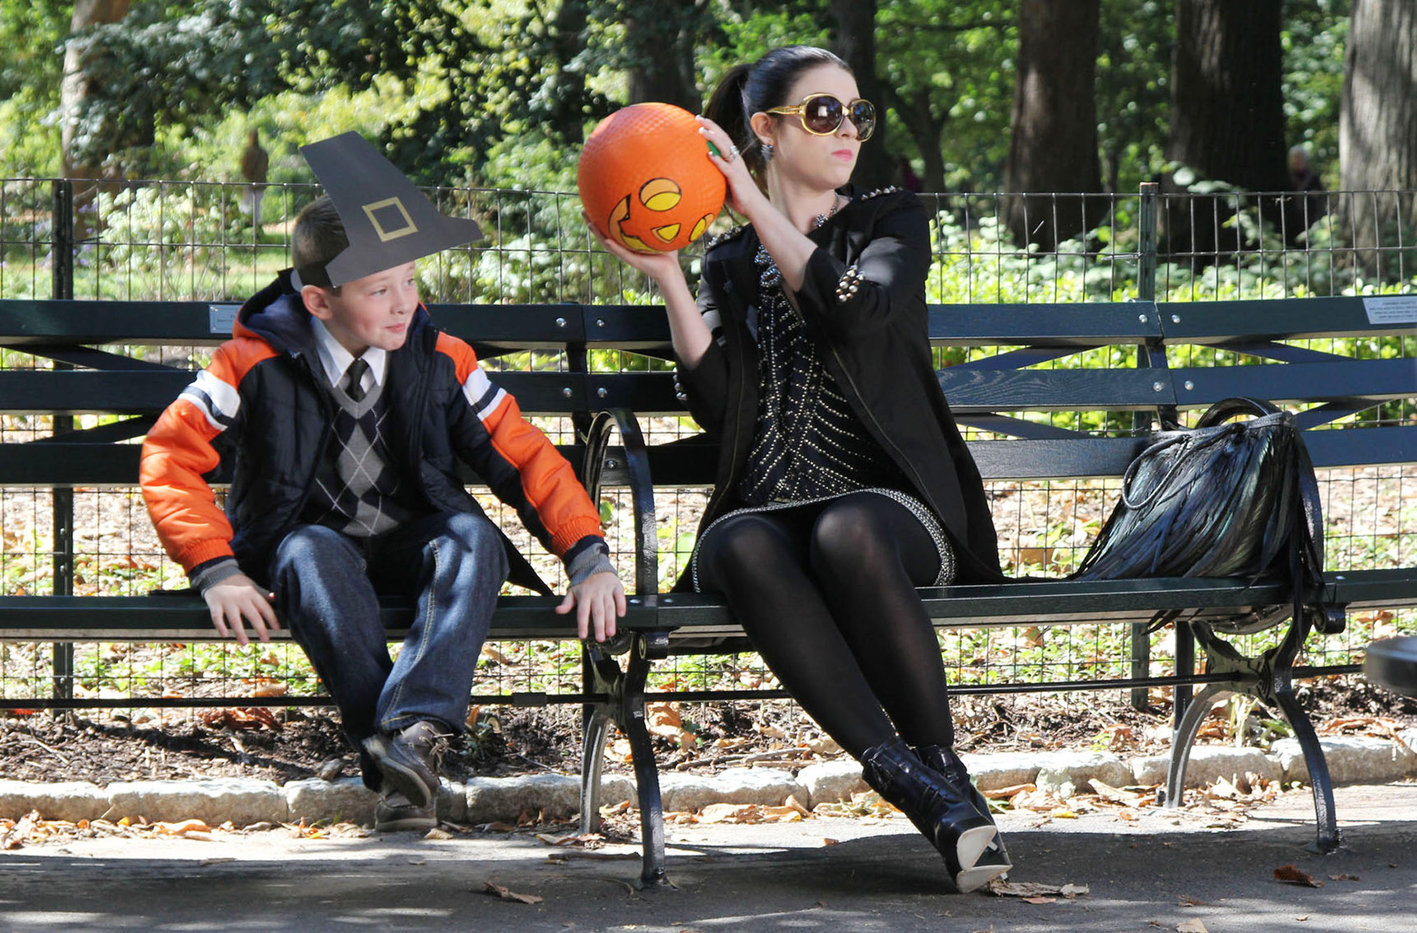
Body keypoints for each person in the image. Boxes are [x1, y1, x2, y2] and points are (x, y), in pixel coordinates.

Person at [587, 46, 1010, 892]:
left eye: (857, 113)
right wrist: (672, 275)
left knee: (844, 528)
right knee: (738, 545)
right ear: (765, 131)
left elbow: (857, 315)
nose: (848, 128)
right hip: (770, 506)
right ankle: (921, 787)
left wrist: (745, 198)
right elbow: (718, 403)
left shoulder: (888, 222)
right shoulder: (729, 263)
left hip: (891, 511)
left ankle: (933, 773)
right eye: (823, 113)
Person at [142, 132, 625, 834]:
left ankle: (410, 737)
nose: (403, 304)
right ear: (318, 299)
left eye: (410, 280)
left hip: (412, 536)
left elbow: (522, 456)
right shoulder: (249, 362)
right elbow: (169, 455)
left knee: (472, 536)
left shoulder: (444, 359)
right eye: (378, 289)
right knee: (310, 550)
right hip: (309, 551)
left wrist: (586, 554)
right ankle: (406, 758)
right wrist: (215, 569)